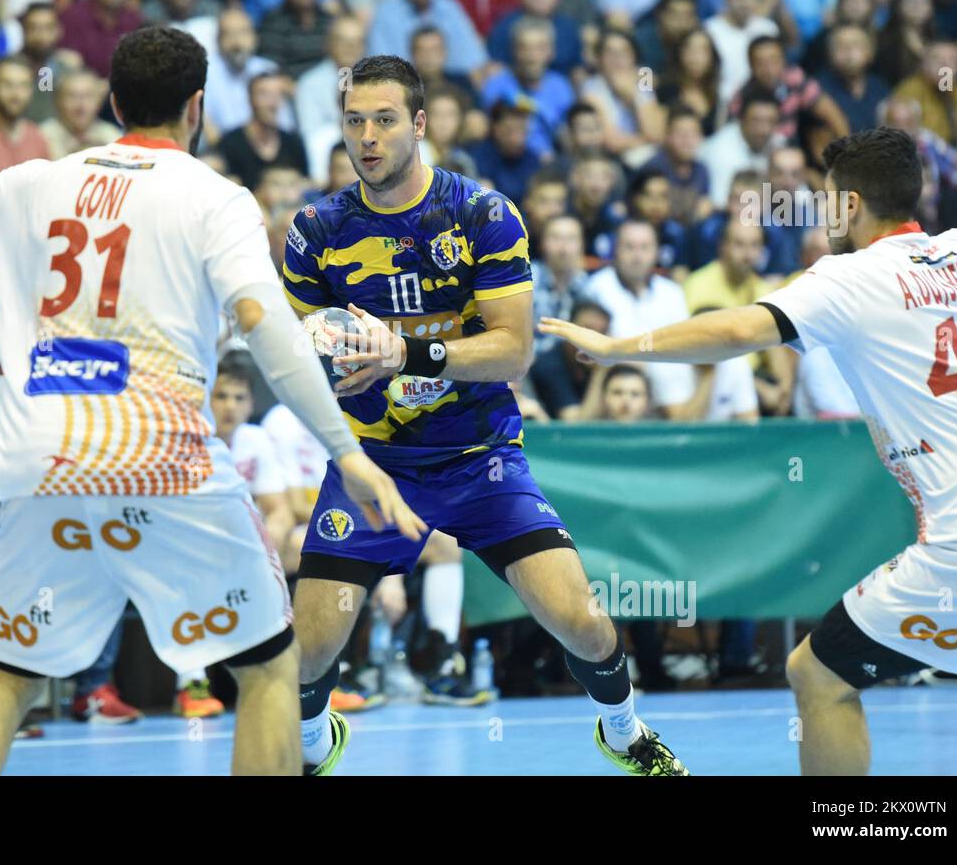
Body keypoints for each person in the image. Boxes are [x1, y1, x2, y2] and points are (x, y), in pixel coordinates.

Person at [0, 25, 424, 776]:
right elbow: (264, 324)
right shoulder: (214, 198)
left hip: (43, 463)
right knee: (266, 665)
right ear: (197, 106)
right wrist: (348, 452)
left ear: (112, 99)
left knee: (4, 683)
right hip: (163, 460)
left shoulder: (30, 182)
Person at [539, 126, 957, 774]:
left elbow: (733, 327)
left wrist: (620, 348)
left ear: (850, 204)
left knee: (818, 675)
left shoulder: (849, 278)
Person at [281, 54, 688, 776]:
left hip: (481, 458)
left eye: (382, 120)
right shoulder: (316, 228)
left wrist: (405, 353)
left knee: (586, 624)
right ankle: (316, 749)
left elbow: (513, 351)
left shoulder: (480, 214)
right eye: (353, 121)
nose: (366, 136)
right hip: (375, 465)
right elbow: (301, 344)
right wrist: (331, 357)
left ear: (419, 123)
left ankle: (623, 733)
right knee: (304, 655)